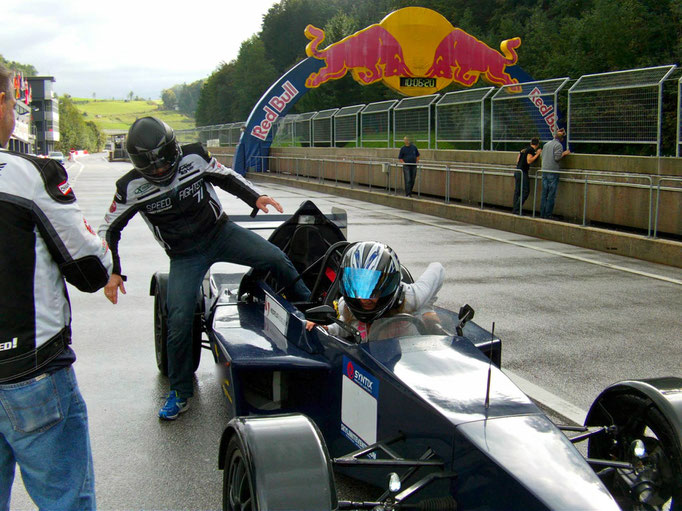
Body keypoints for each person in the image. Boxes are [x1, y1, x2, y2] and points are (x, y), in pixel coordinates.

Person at [98, 117, 309, 421]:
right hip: (184, 256)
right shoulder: (129, 187)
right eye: (151, 167)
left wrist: (255, 196)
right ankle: (180, 391)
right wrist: (114, 271)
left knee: (276, 258)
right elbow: (109, 229)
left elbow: (226, 177)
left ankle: (312, 310)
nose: (159, 170)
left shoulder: (194, 155)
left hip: (220, 233)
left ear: (174, 151)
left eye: (163, 163)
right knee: (180, 318)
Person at [0, 64, 113, 510]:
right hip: (30, 373)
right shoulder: (31, 175)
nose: (15, 107)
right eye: (12, 97)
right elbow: (91, 271)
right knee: (65, 501)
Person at [306, 242, 444, 341]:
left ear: (387, 286)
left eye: (373, 291)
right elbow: (346, 325)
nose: (365, 299)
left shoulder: (411, 297)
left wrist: (426, 308)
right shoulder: (347, 307)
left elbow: (437, 268)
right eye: (358, 290)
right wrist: (326, 328)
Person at [540, 128, 570, 219]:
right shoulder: (558, 145)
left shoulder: (546, 144)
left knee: (544, 194)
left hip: (544, 170)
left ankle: (542, 213)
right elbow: (557, 158)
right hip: (552, 171)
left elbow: (542, 155)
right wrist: (564, 154)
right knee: (551, 194)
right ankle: (548, 214)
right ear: (561, 139)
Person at [512, 137, 542, 215]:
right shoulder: (531, 150)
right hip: (523, 172)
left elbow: (517, 160)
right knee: (525, 191)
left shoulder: (524, 150)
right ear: (537, 144)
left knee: (517, 191)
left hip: (517, 170)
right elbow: (529, 160)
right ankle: (517, 208)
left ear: (530, 143)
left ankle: (515, 209)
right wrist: (537, 154)